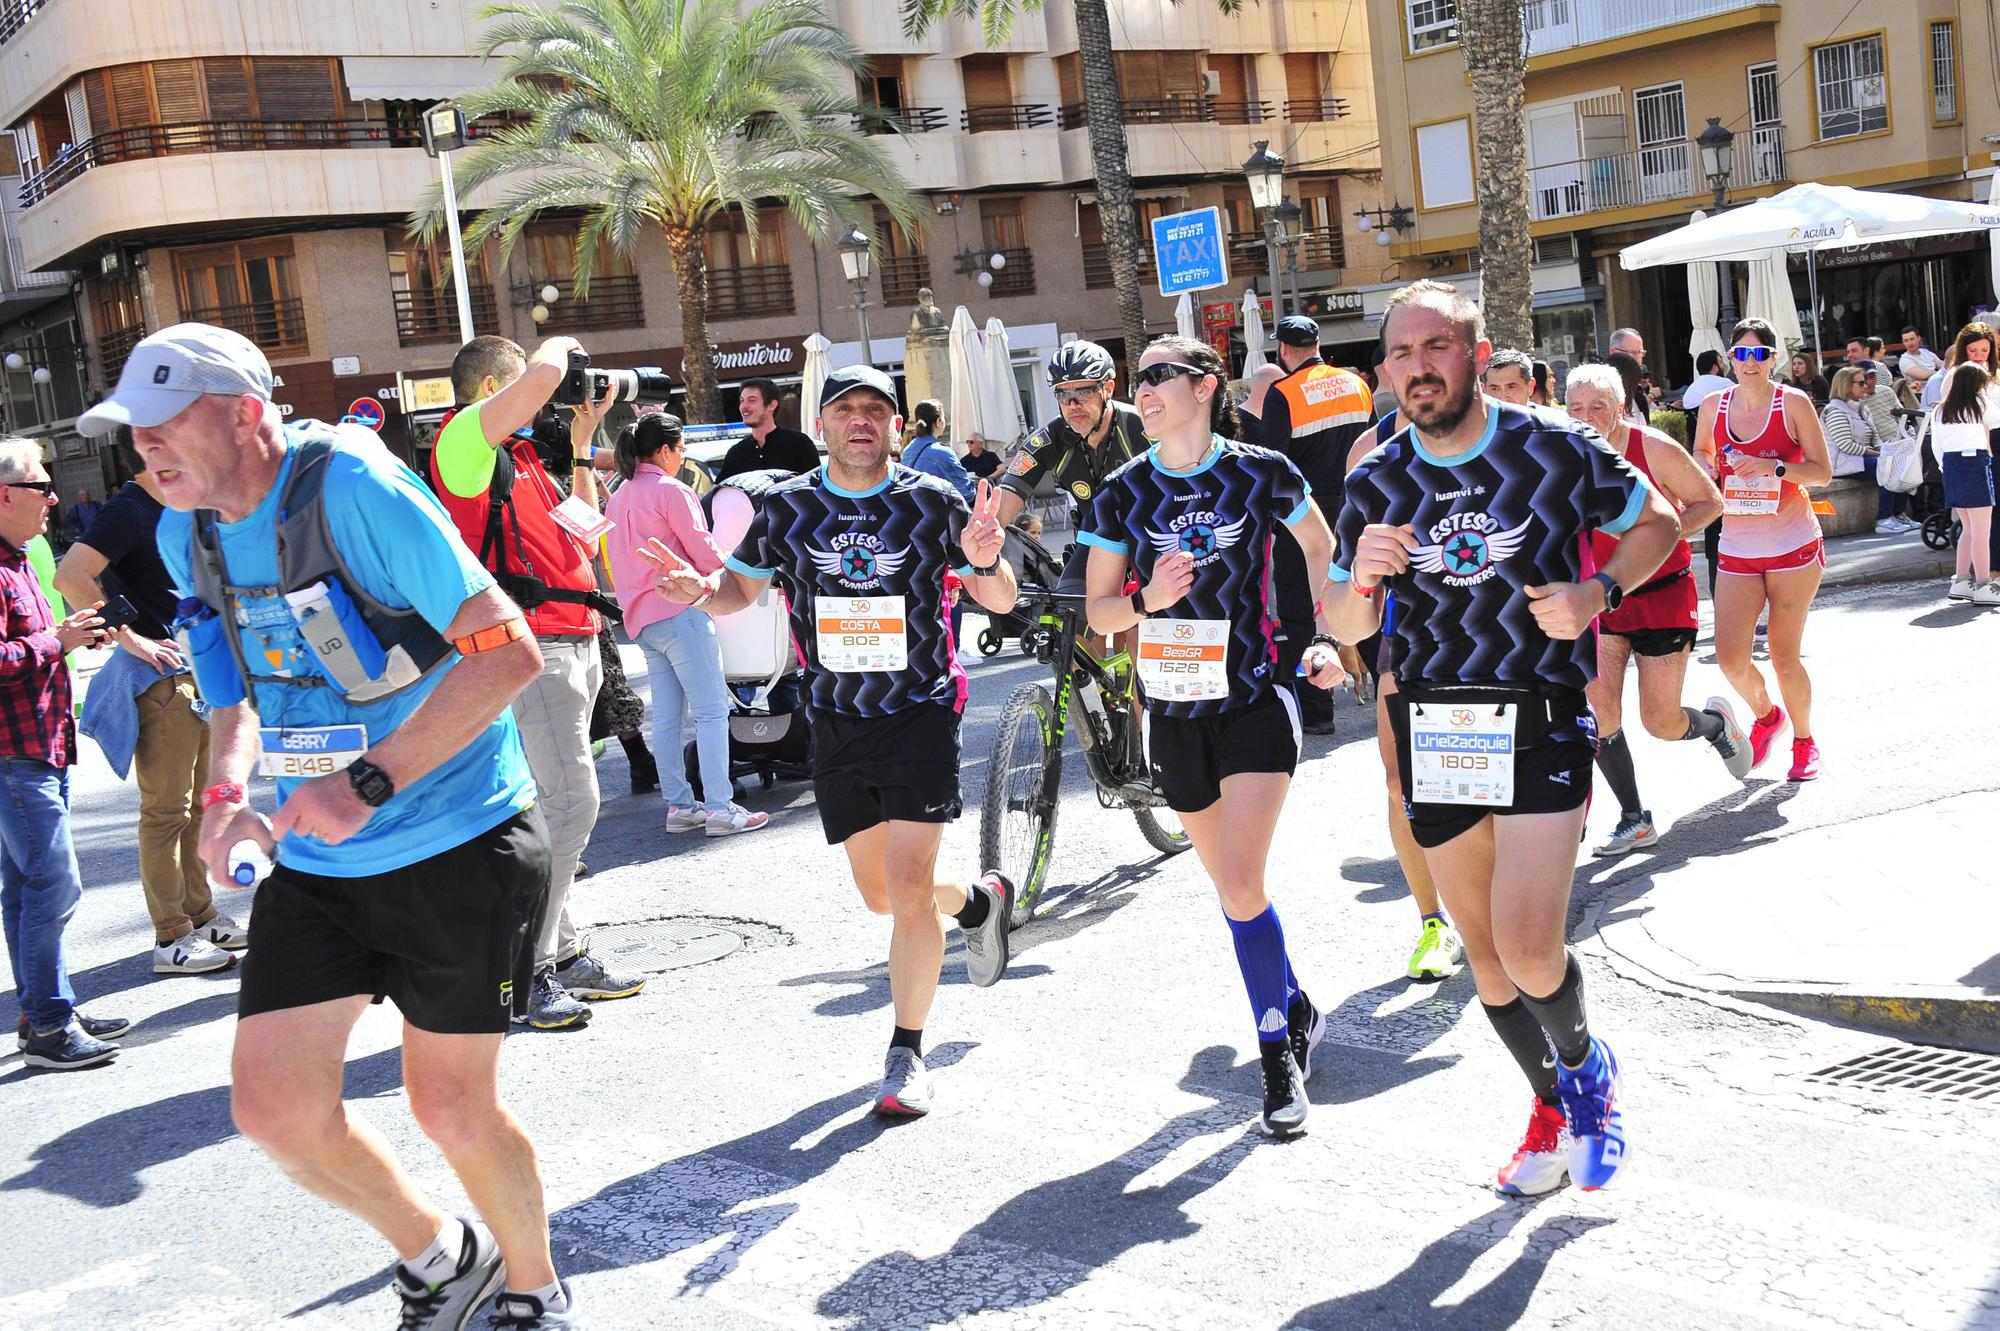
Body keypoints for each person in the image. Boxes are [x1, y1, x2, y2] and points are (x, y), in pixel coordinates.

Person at [82, 322, 581, 1327]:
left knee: (450, 1104)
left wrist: (368, 779)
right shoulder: (192, 528)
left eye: (162, 426)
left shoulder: (354, 488)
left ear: (243, 413)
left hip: (458, 836)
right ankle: (442, 1252)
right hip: (320, 859)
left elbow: (506, 652)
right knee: (273, 1106)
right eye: (132, 433)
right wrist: (228, 795)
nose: (144, 450)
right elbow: (230, 692)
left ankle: (538, 1289)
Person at [1326, 280, 1681, 1196]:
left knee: (1529, 948)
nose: (1416, 369)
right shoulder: (1374, 477)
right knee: (1483, 958)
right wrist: (1359, 582)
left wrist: (1599, 593)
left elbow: (1662, 521)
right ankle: (1548, 1103)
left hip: (1543, 712)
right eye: (1399, 354)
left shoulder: (1555, 446)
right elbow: (1344, 624)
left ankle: (1586, 1071)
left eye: (1434, 348)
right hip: (1436, 726)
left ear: (1475, 355)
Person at [643, 364, 1017, 1117]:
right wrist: (697, 592)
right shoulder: (784, 507)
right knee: (883, 894)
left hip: (920, 708)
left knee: (908, 889)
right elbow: (738, 591)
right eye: (846, 409)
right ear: (822, 425)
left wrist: (983, 556)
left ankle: (906, 1053)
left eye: (876, 409)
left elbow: (1000, 595)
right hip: (836, 716)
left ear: (896, 426)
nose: (861, 421)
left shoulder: (932, 501)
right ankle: (978, 906)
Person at [1080, 334, 1342, 1136]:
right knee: (1237, 891)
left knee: (1237, 878)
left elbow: (1320, 546)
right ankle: (1293, 1000)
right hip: (1175, 715)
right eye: (1139, 379)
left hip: (1259, 700)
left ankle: (1277, 1062)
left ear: (1204, 384)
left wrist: (1327, 636)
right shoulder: (1122, 492)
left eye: (1158, 375)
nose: (1143, 390)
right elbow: (1099, 615)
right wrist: (1149, 596)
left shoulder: (1261, 468)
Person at [432, 334, 645, 1030]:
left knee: (551, 803)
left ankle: (563, 948)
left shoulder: (521, 456)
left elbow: (586, 535)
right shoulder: (464, 443)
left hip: (573, 638)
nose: (548, 394)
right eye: (527, 383)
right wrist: (560, 347)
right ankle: (527, 968)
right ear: (494, 389)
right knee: (571, 801)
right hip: (532, 646)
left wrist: (584, 443)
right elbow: (549, 369)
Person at [57, 459, 246, 976]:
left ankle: (200, 915)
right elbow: (70, 575)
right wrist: (129, 637)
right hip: (160, 681)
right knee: (165, 813)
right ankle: (171, 937)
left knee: (197, 809)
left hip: (197, 672)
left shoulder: (182, 503)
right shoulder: (128, 509)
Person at [1561, 364, 1747, 856]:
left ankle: (1714, 726)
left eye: (1597, 407)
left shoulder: (1653, 449)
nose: (1585, 417)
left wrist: (1652, 543)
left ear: (1619, 408)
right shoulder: (1561, 456)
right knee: (1600, 712)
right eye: (1575, 408)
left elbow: (1709, 503)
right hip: (1601, 600)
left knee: (1661, 722)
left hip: (1663, 593)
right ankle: (1633, 817)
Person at [0, 439, 125, 1068]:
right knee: (55, 886)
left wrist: (66, 638)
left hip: (38, 748)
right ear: (3, 495)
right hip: (14, 755)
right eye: (39, 486)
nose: (52, 497)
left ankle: (47, 1011)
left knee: (26, 890)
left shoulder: (20, 559)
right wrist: (57, 639)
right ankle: (49, 1023)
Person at [1341, 411, 1465, 985]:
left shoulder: (1520, 435)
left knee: (1489, 792)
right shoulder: (1374, 450)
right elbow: (1346, 562)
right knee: (1400, 784)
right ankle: (1433, 923)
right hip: (1408, 637)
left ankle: (1500, 912)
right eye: (1404, 350)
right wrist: (1336, 628)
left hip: (1504, 642)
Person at [607, 412, 768, 834]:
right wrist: (738, 578)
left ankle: (681, 806)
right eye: (680, 449)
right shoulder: (672, 490)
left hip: (640, 619)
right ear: (665, 451)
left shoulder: (620, 494)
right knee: (712, 710)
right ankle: (719, 806)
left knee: (667, 717)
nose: (681, 457)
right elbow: (705, 552)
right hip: (680, 610)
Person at [1693, 317, 1834, 783]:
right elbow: (1703, 457)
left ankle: (1805, 740)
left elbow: (1821, 472)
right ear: (1730, 357)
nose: (1749, 363)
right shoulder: (1714, 405)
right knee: (1731, 658)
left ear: (1772, 358)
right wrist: (1708, 471)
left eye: (1759, 354)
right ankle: (1768, 716)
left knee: (1783, 656)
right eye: (1741, 354)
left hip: (1793, 544)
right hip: (1736, 543)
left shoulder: (1791, 403)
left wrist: (1772, 468)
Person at [1240, 314, 1373, 737]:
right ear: (1317, 342)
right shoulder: (1356, 384)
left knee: (1301, 609)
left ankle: (1318, 710)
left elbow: (1273, 461)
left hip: (1305, 516)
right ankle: (1395, 685)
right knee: (1363, 598)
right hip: (1357, 507)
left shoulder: (1283, 393)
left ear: (1282, 349)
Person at [1932, 361, 1998, 604]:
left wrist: (1944, 468)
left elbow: (1936, 446)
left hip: (1951, 465)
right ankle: (1983, 584)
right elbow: (1996, 419)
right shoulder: (1979, 404)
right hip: (1975, 463)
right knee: (1982, 530)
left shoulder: (1940, 410)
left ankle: (1961, 580)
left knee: (1968, 528)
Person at [1820, 366, 1911, 536]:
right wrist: (1880, 455)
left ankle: (1899, 514)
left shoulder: (1862, 407)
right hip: (1842, 463)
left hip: (1860, 459)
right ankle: (1884, 519)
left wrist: (1885, 450)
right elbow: (1846, 445)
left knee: (1900, 462)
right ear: (1846, 385)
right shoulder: (1835, 411)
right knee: (1886, 466)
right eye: (1861, 382)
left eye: (1866, 381)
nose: (1866, 385)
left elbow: (1875, 436)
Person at [715, 376, 819, 480]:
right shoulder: (736, 453)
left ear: (772, 405)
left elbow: (816, 487)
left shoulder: (800, 444)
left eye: (751, 400)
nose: (744, 406)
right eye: (742, 401)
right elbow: (721, 492)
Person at [900, 400, 975, 500]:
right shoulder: (944, 453)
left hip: (914, 510)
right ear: (939, 422)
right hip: (939, 512)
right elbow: (966, 492)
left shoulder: (908, 450)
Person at [1608, 327, 1648, 420]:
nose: (1638, 358)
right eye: (1633, 353)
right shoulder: (1603, 391)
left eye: (1640, 352)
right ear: (1614, 352)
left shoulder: (1639, 392)